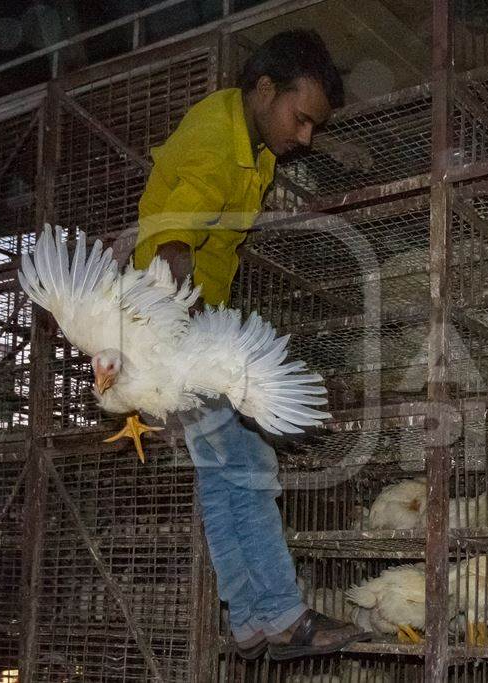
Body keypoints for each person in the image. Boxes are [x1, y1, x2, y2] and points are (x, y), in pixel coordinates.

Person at [132, 29, 369, 660]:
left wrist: (331, 142)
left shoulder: (252, 140)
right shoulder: (218, 142)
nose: (304, 137)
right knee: (251, 467)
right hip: (177, 325)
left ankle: (253, 623)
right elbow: (170, 240)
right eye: (302, 119)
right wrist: (191, 352)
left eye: (315, 126)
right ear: (264, 89)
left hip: (180, 326)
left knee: (224, 477)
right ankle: (283, 618)